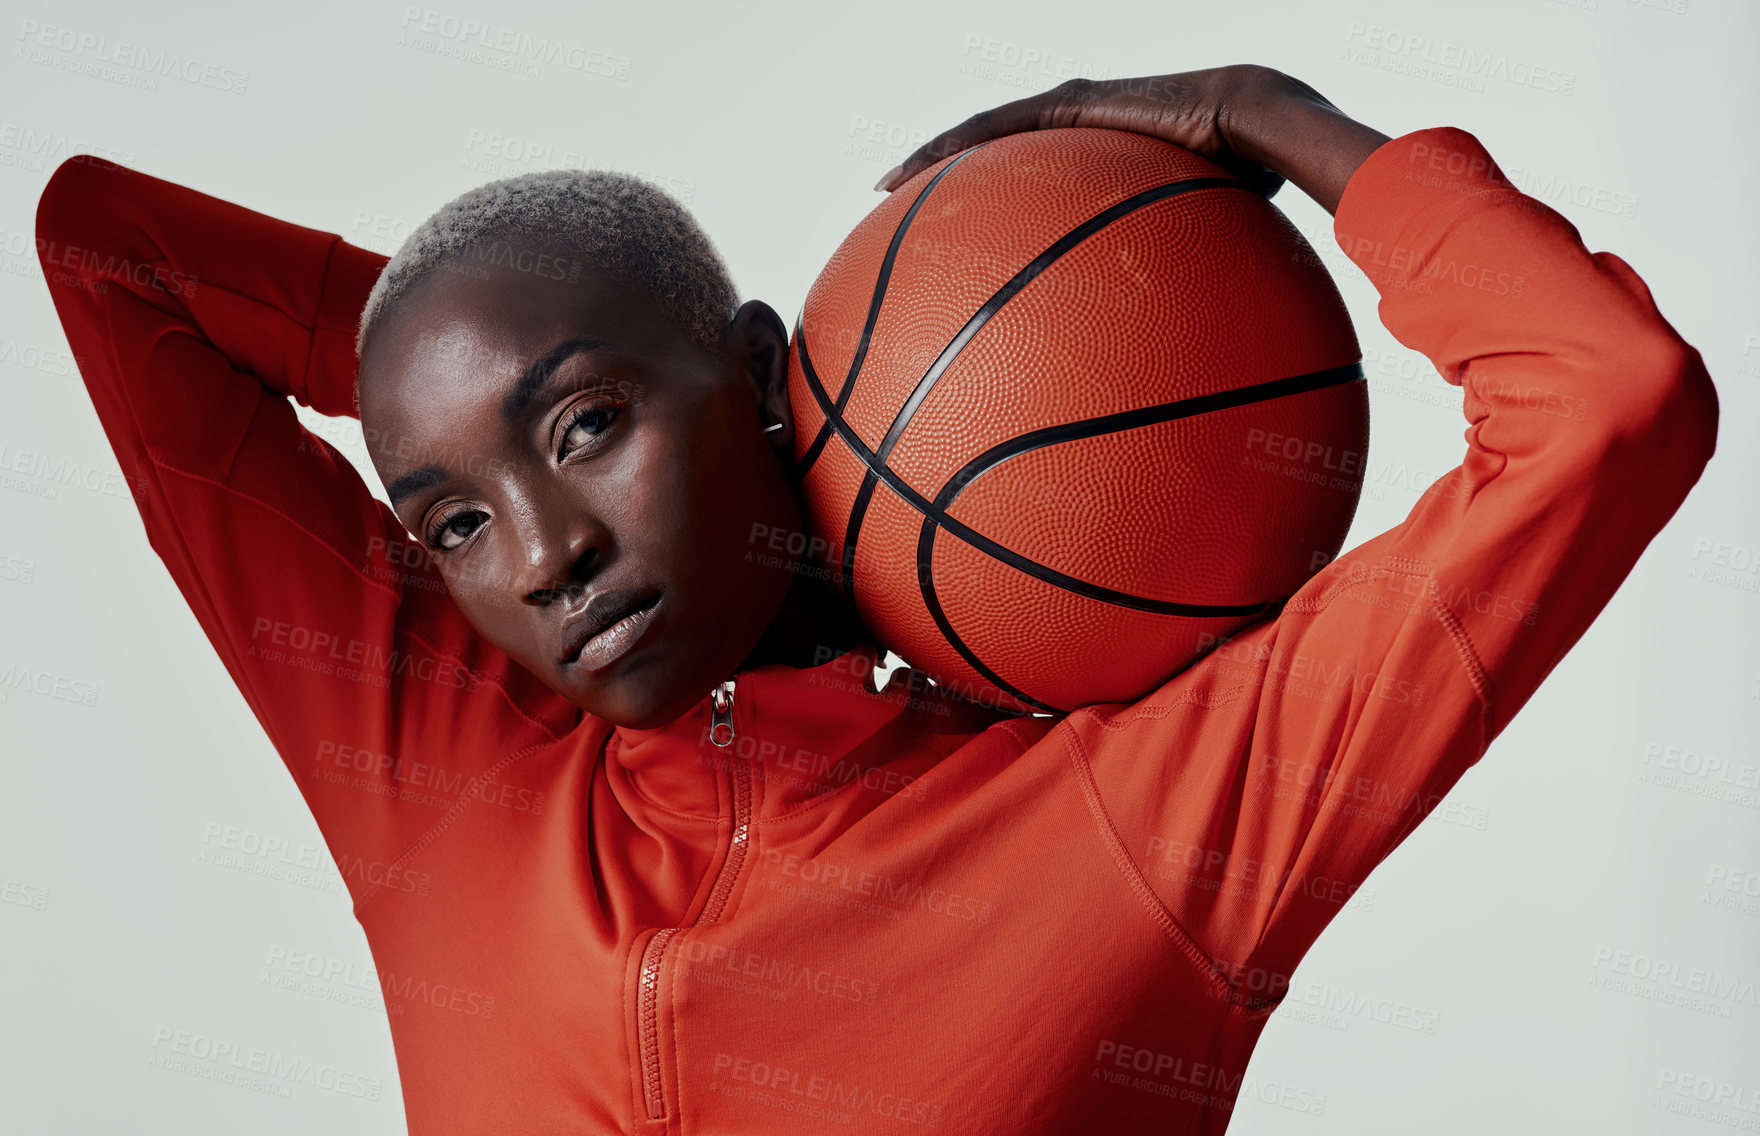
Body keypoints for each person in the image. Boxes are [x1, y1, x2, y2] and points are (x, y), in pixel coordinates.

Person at [34, 63, 1717, 1135]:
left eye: (592, 430)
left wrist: (1271, 116)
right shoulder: (437, 766)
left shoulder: (1146, 822)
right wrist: (457, 364)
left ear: (761, 372)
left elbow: (1609, 397)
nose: (545, 556)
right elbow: (105, 249)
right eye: (454, 520)